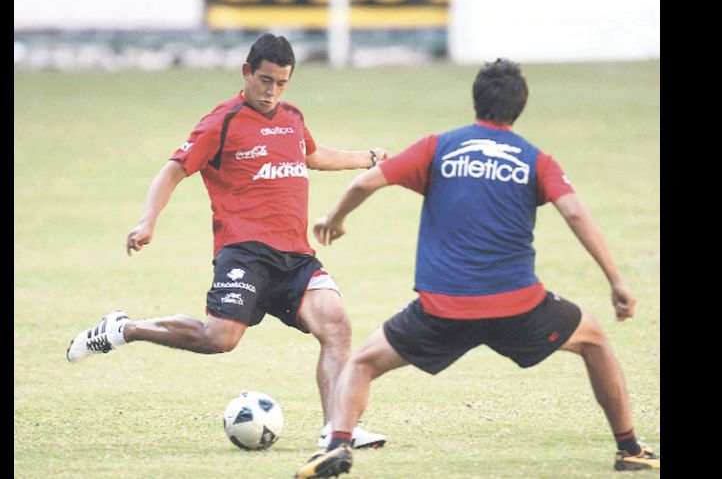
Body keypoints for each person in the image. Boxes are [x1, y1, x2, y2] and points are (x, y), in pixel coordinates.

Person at [294, 58, 659, 478]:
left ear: (475, 101)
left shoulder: (439, 147)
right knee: (594, 339)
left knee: (361, 364)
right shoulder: (535, 160)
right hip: (519, 306)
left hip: (442, 310)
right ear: (519, 107)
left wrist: (335, 219)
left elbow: (366, 181)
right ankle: (629, 447)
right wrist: (616, 280)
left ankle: (338, 445)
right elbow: (575, 213)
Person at [66, 33, 387, 449]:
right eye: (265, 80)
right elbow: (173, 170)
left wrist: (368, 158)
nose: (272, 92)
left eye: (281, 83)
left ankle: (337, 432)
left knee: (337, 324)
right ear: (247, 72)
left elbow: (310, 154)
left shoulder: (291, 116)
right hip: (245, 252)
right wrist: (148, 221)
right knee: (218, 339)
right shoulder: (223, 121)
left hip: (295, 256)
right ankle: (125, 329)